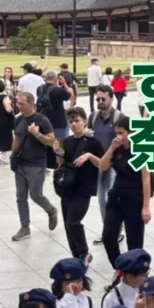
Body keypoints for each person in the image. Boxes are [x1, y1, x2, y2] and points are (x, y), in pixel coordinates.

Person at [97, 114, 152, 266]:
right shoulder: (116, 148)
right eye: (116, 133)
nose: (119, 136)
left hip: (135, 198)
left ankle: (135, 272)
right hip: (117, 197)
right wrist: (112, 147)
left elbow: (146, 179)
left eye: (122, 133)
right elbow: (102, 165)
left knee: (134, 241)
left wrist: (146, 206)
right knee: (108, 236)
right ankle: (120, 268)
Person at [56, 106, 104, 263]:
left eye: (77, 121)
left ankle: (84, 253)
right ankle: (76, 255)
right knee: (67, 225)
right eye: (71, 121)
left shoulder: (93, 142)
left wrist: (89, 156)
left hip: (84, 188)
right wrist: (58, 153)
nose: (74, 124)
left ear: (84, 121)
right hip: (68, 187)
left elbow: (103, 164)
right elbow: (62, 164)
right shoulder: (67, 142)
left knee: (73, 222)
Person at [11, 91, 58, 242]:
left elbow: (52, 141)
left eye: (21, 104)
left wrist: (37, 134)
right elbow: (17, 138)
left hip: (36, 164)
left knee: (36, 195)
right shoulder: (18, 120)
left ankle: (51, 210)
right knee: (20, 197)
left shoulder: (41, 120)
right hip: (20, 163)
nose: (18, 106)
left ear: (31, 104)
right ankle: (25, 227)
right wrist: (13, 155)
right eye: (17, 103)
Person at [89, 85, 120, 245]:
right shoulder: (93, 117)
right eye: (98, 99)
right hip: (98, 163)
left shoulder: (118, 117)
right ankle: (108, 230)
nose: (100, 102)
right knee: (102, 199)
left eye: (103, 99)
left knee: (111, 198)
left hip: (115, 164)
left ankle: (115, 230)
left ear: (111, 98)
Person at [36, 70, 74, 141]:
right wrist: (65, 84)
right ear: (56, 79)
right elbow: (71, 97)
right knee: (60, 147)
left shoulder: (39, 89)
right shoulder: (59, 90)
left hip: (43, 121)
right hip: (58, 122)